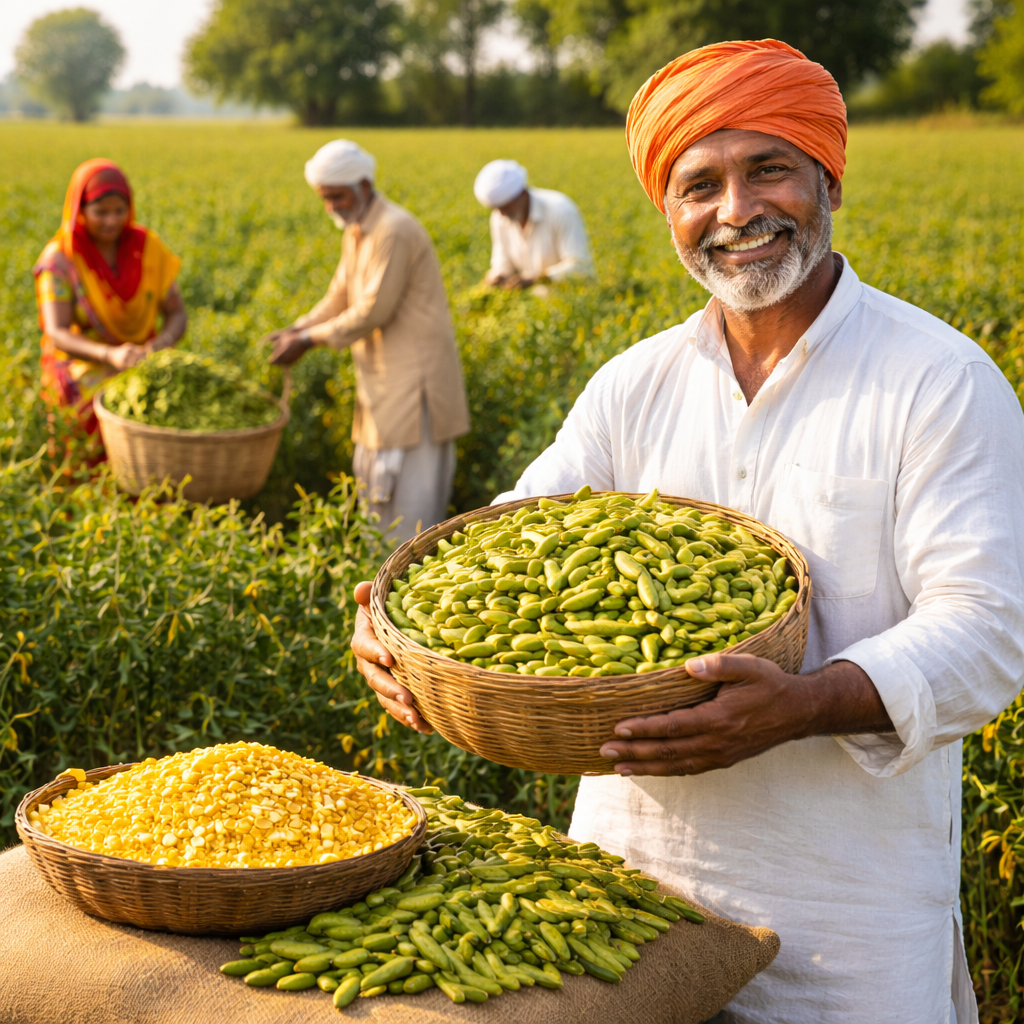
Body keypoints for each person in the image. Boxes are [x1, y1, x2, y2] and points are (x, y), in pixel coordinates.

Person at [351, 40, 1024, 1023]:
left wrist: (797, 704)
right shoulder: (637, 382)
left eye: (768, 170)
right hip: (630, 890)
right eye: (697, 184)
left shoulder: (936, 379)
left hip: (847, 910)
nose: (735, 211)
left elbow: (989, 627)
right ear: (667, 210)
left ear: (825, 176)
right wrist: (400, 622)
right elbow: (513, 531)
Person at [268, 140, 470, 543]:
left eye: (337, 197)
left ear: (362, 185)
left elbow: (372, 311)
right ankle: (375, 589)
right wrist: (296, 328)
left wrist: (307, 340)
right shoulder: (359, 228)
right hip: (383, 382)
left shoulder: (392, 229)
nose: (331, 207)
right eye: (324, 199)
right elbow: (339, 297)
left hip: (416, 387)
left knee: (411, 513)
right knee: (376, 502)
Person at [34, 159, 186, 451]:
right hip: (86, 361)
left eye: (119, 211)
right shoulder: (61, 259)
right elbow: (57, 332)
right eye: (100, 212)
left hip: (143, 357)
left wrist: (159, 346)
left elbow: (177, 311)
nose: (111, 221)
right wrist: (111, 355)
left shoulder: (147, 249)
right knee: (95, 420)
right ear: (81, 210)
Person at [474, 159, 593, 289]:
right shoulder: (499, 218)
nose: (502, 214)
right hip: (532, 302)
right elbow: (502, 260)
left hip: (571, 297)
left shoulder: (560, 210)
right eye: (497, 208)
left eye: (506, 207)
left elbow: (580, 265)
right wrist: (498, 275)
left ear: (521, 194)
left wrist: (537, 279)